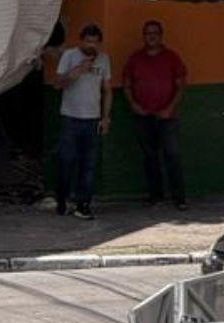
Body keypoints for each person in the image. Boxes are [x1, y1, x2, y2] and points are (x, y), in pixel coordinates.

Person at [123, 21, 188, 210]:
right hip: (143, 115)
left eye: (155, 33)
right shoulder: (135, 58)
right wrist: (133, 105)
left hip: (167, 117)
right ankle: (156, 196)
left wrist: (170, 108)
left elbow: (181, 85)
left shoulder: (172, 57)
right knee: (150, 157)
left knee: (172, 155)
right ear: (144, 36)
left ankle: (179, 198)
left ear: (161, 35)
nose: (151, 36)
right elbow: (126, 84)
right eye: (148, 33)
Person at [54, 24, 112, 220]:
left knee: (88, 165)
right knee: (66, 161)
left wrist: (105, 117)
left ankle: (83, 205)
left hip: (92, 119)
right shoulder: (70, 56)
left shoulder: (104, 59)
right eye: (88, 41)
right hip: (70, 118)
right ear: (81, 41)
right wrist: (78, 70)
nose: (91, 46)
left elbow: (107, 90)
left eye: (95, 42)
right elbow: (58, 84)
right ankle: (61, 198)